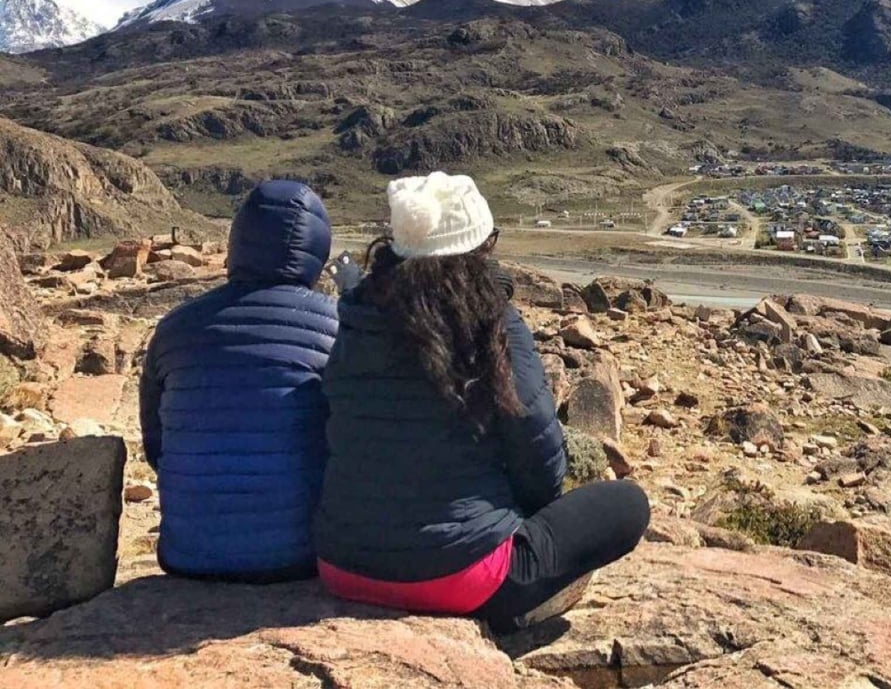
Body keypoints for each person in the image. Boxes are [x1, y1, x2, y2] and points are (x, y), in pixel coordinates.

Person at [314, 171, 650, 629]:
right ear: (479, 251)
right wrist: (529, 510)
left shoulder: (355, 318)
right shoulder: (491, 322)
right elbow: (537, 444)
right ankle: (515, 615)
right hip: (462, 577)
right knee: (628, 504)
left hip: (342, 566)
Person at [139, 179, 339, 581]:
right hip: (301, 557)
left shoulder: (176, 326)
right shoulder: (336, 325)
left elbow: (155, 444)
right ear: (317, 250)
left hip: (188, 555)